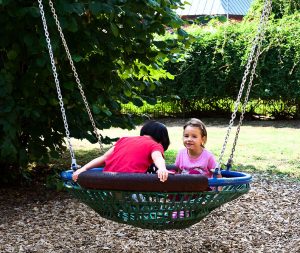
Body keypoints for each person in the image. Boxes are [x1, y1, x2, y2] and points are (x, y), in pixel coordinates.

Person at [72, 120, 171, 182]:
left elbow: (104, 158)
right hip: (129, 182)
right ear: (162, 139)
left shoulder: (124, 140)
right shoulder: (155, 145)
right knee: (140, 200)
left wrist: (83, 169)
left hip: (107, 181)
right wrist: (162, 168)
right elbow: (157, 157)